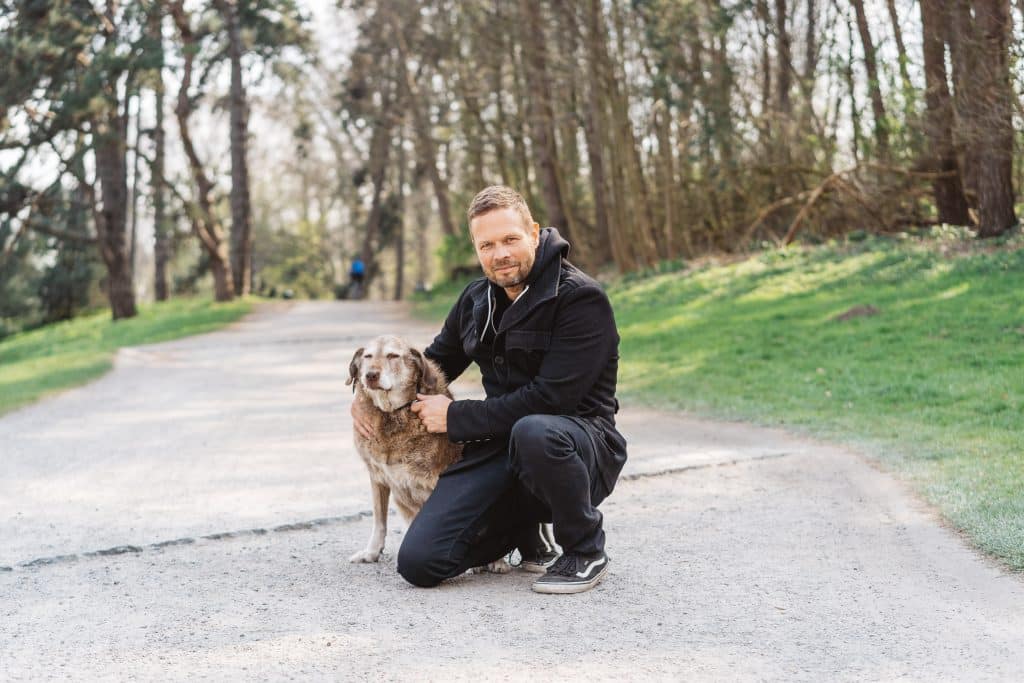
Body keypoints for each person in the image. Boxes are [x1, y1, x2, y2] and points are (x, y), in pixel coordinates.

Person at [352, 185, 627, 594]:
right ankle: (522, 531)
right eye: (487, 244)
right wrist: (363, 399)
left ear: (533, 233)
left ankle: (585, 549)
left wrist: (456, 417)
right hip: (500, 447)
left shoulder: (580, 300)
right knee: (420, 562)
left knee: (535, 430)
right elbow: (428, 366)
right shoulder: (476, 297)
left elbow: (553, 399)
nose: (500, 254)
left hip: (578, 447)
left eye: (511, 239)